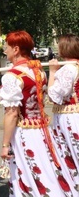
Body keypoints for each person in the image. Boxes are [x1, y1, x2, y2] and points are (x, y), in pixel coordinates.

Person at [0, 30, 77, 196]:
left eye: (7, 47)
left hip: (24, 131)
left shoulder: (11, 76)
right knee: (49, 169)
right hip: (42, 130)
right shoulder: (39, 72)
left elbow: (12, 113)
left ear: (16, 49)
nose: (5, 50)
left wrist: (5, 144)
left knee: (31, 172)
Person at [48, 34, 79, 182]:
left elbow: (54, 95)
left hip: (69, 116)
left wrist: (52, 72)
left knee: (70, 153)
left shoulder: (68, 69)